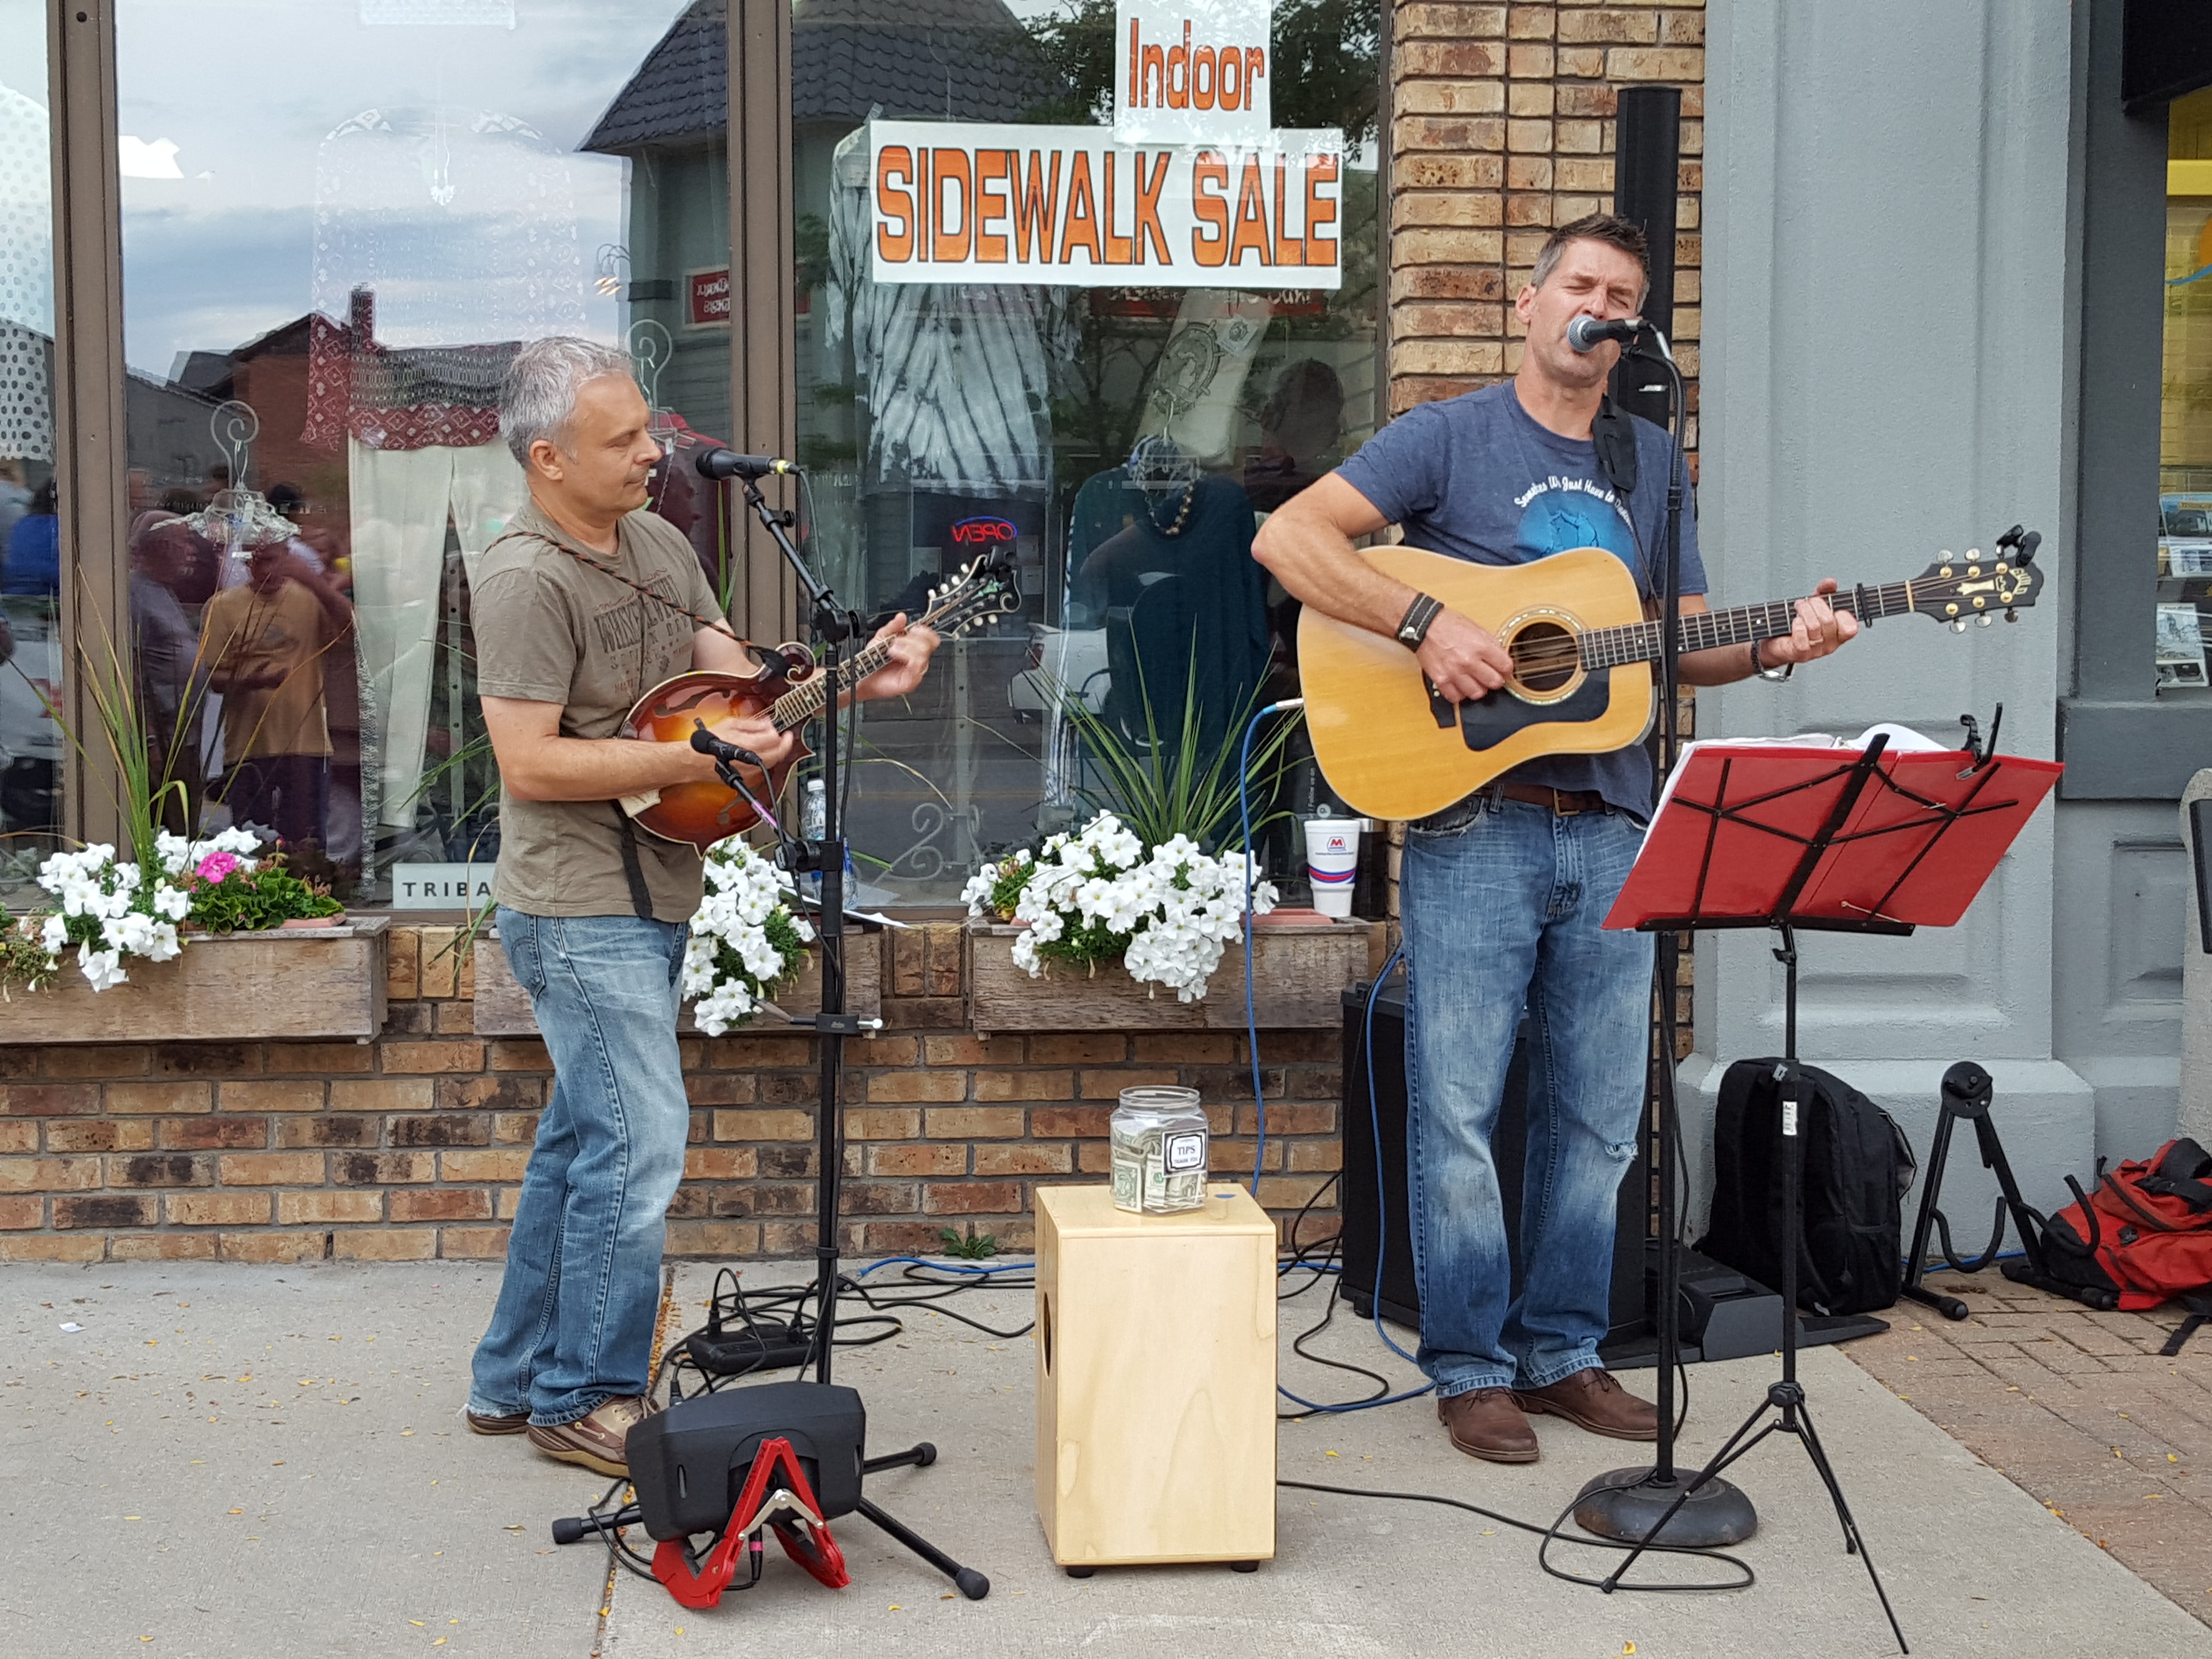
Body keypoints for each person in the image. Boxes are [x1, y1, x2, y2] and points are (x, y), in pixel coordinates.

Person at [1254, 214, 1858, 1465]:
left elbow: (1681, 639)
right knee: (1460, 1109)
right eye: (1581, 283)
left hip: (1615, 824)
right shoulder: (1448, 436)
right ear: (1528, 306)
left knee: (1596, 1117)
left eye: (1622, 295)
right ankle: (1471, 1366)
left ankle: (1563, 1351)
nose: (1601, 305)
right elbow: (1289, 538)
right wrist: (1426, 622)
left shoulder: (1649, 458)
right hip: (1473, 819)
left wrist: (1777, 646)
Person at [463, 337, 937, 1479]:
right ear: (547, 457)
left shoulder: (660, 542)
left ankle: (513, 1377)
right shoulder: (525, 579)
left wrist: (848, 682)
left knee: (581, 1145)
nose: (653, 452)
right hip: (574, 906)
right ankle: (584, 1396)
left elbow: (735, 689)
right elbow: (528, 761)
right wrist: (691, 761)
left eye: (649, 428)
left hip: (654, 888)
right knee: (637, 1149)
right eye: (623, 438)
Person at [202, 537, 352, 849]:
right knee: (252, 847)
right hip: (247, 746)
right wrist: (255, 680)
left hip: (306, 744)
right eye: (256, 561)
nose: (265, 570)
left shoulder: (308, 599)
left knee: (306, 846)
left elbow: (353, 630)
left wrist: (313, 581)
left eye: (273, 560)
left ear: (287, 557)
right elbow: (212, 678)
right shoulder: (223, 606)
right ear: (246, 561)